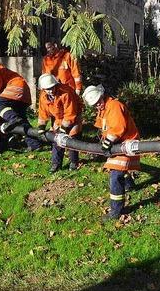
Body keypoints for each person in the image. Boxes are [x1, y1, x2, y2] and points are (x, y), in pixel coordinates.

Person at [82, 84, 140, 221]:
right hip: (117, 143)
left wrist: (108, 142)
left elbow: (118, 127)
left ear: (102, 96)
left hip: (126, 143)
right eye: (95, 105)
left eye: (98, 102)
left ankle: (116, 210)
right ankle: (130, 185)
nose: (98, 106)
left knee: (115, 175)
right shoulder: (103, 108)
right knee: (119, 169)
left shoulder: (114, 106)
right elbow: (102, 126)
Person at [37, 73, 83, 173]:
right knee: (56, 139)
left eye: (52, 87)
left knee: (72, 138)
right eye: (47, 89)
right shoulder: (43, 97)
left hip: (74, 116)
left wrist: (63, 129)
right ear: (43, 89)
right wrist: (41, 128)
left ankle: (74, 162)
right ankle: (56, 164)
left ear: (55, 85)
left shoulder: (66, 93)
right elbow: (42, 113)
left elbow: (70, 113)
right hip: (59, 118)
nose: (50, 91)